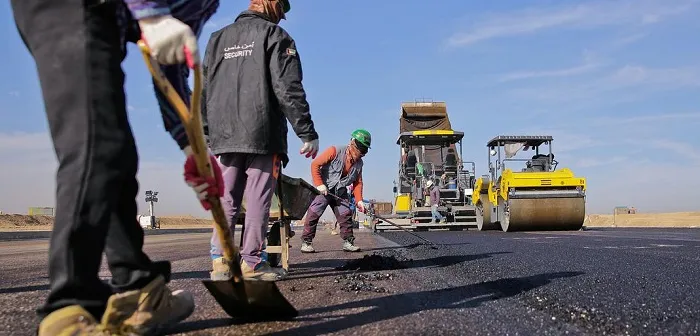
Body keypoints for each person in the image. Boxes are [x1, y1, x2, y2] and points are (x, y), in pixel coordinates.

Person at [9, 0, 222, 334]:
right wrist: (150, 11)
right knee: (97, 146)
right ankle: (69, 308)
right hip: (71, 8)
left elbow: (168, 63)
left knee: (116, 155)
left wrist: (193, 148)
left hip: (101, 16)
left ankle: (139, 288)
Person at [203, 0, 320, 282]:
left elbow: (205, 87)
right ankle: (252, 263)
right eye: (282, 11)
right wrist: (306, 131)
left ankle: (221, 261)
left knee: (227, 197)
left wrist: (208, 132)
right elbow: (288, 87)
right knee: (257, 198)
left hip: (225, 134)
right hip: (261, 132)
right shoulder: (275, 36)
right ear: (272, 4)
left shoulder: (217, 39)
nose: (281, 18)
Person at [301, 129, 371, 253]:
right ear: (352, 143)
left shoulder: (359, 164)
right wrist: (319, 185)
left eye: (364, 150)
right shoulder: (334, 151)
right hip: (324, 189)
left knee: (346, 215)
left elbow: (358, 183)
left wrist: (359, 201)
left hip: (340, 191)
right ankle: (306, 242)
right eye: (360, 149)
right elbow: (315, 164)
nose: (360, 153)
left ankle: (348, 242)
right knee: (314, 213)